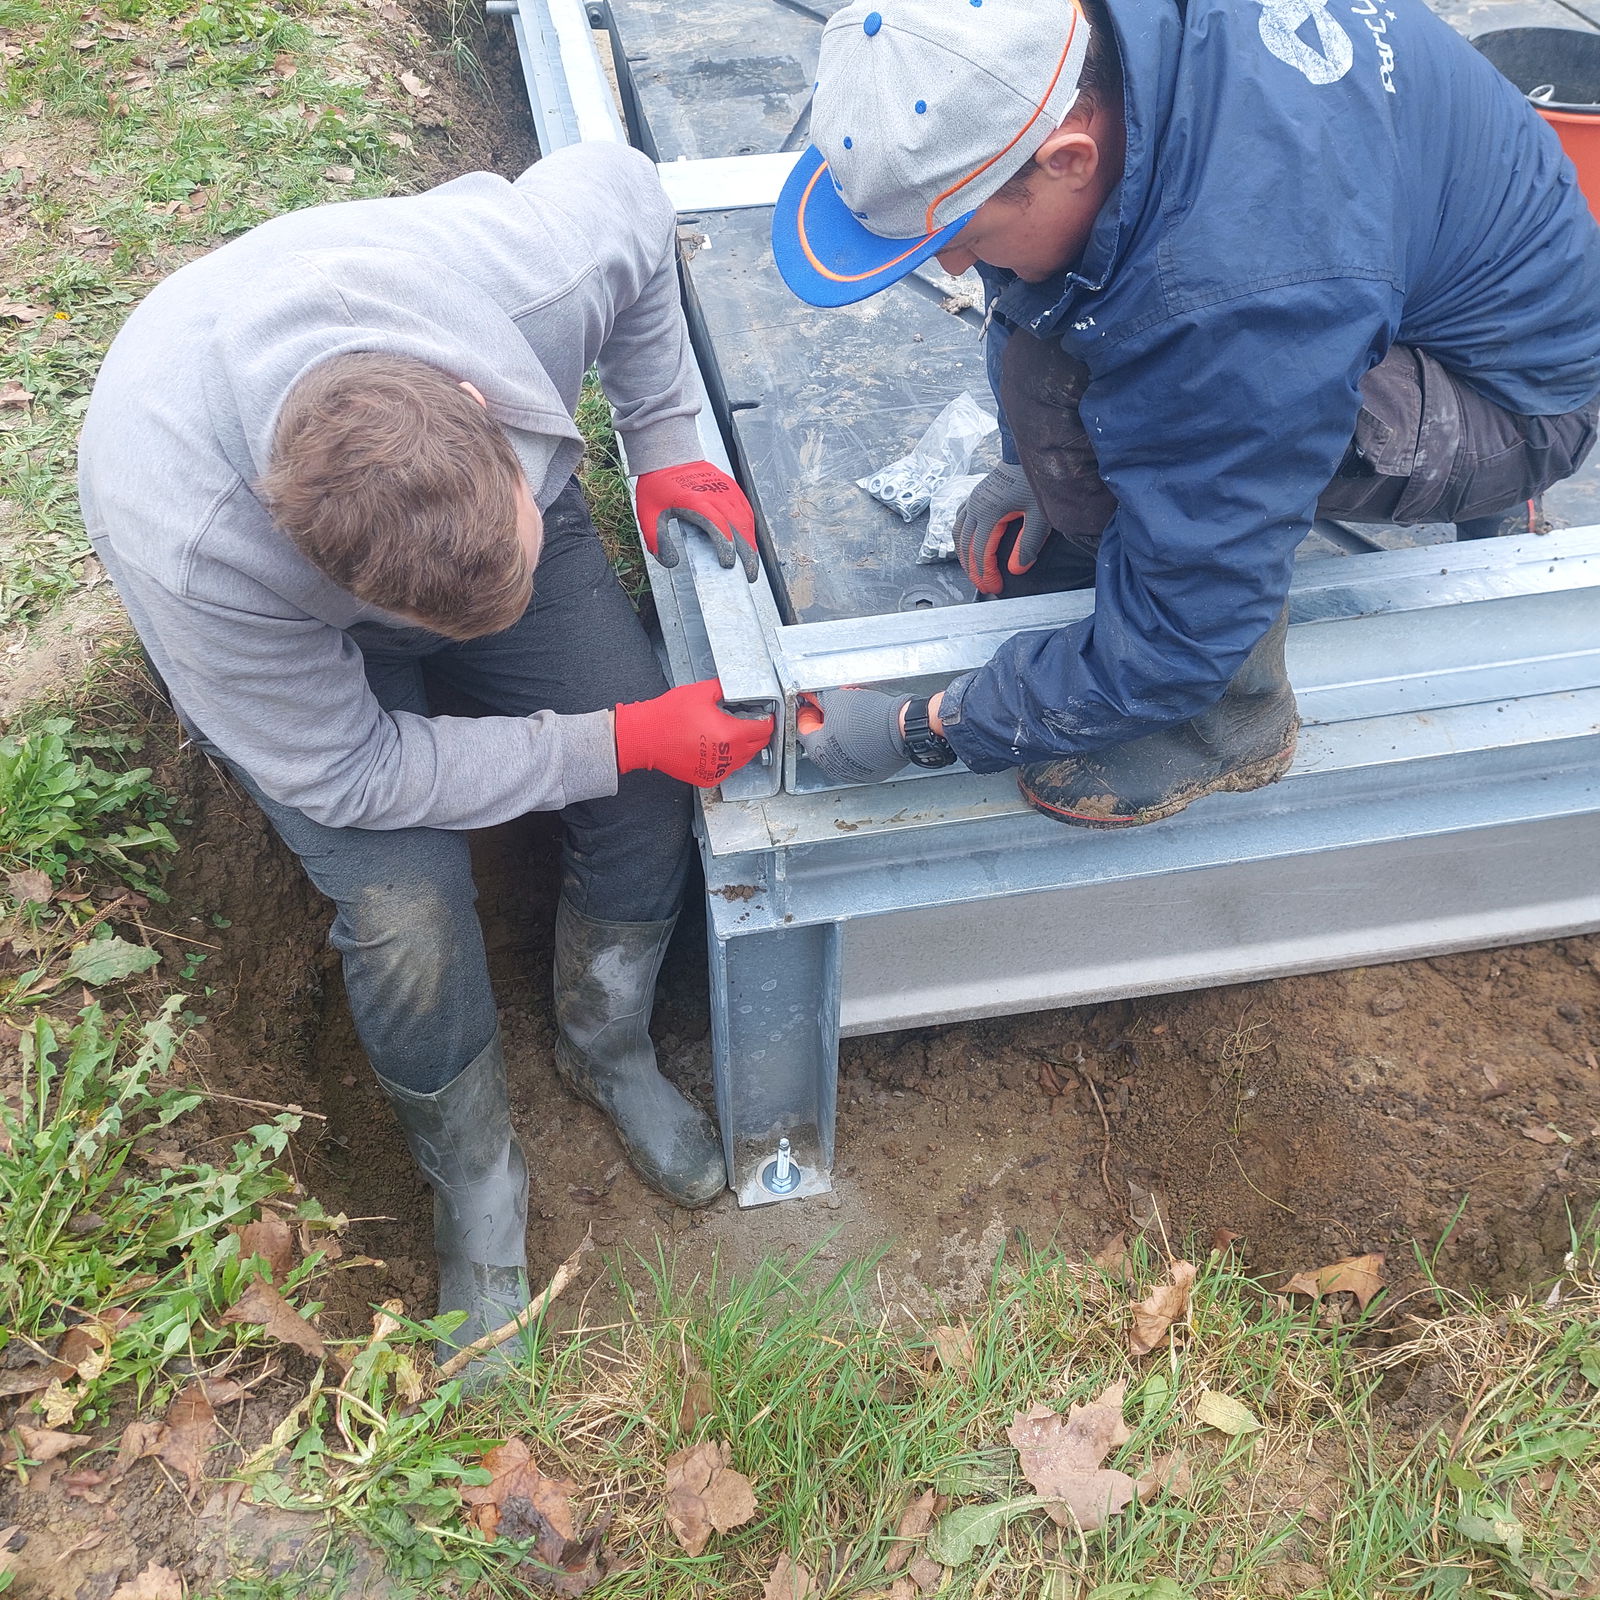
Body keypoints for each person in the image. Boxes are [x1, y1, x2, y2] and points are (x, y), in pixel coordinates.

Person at [79, 142, 773, 1376]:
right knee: (405, 909)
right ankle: (477, 1185)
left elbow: (632, 191)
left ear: (480, 400)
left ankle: (604, 1039)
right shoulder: (192, 539)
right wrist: (605, 735)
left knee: (651, 780)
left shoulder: (527, 279)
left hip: (489, 510)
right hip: (298, 642)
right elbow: (354, 775)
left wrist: (665, 431)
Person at [772, 0, 1600, 827]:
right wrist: (1027, 463)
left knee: (1121, 402)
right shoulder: (1082, 47)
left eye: (966, 236)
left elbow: (1189, 624)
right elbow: (1043, 271)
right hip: (1408, 265)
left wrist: (925, 728)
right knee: (1077, 351)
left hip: (1516, 400)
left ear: (1068, 157)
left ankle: (1230, 725)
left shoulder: (1233, 301)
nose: (953, 263)